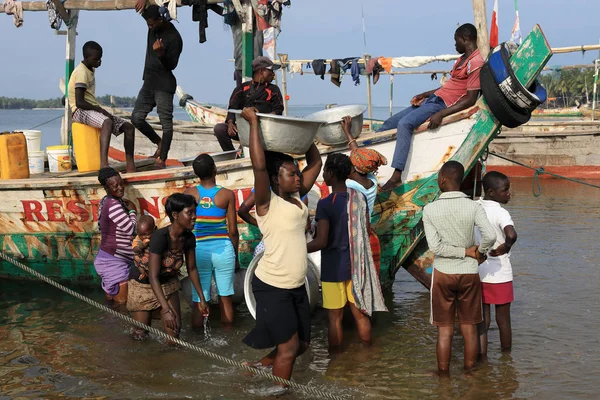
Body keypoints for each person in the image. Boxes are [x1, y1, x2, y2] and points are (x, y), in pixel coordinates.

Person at [240, 106, 322, 384]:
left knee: (302, 345)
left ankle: (260, 366)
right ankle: (281, 392)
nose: (297, 177)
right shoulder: (266, 203)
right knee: (288, 349)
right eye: (291, 174)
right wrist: (253, 123)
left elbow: (316, 165)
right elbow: (259, 165)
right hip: (273, 286)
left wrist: (304, 135)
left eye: (297, 174)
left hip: (297, 286)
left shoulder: (298, 198)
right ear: (276, 179)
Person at [377, 24, 484, 190]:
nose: (455, 45)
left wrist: (441, 114)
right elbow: (449, 86)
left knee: (405, 124)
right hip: (434, 99)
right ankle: (369, 162)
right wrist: (425, 94)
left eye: (456, 41)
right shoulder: (461, 60)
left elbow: (470, 100)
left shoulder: (475, 63)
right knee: (388, 124)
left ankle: (396, 176)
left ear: (465, 38)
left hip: (442, 105)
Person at [422, 160, 496, 373]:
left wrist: (463, 252)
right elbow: (490, 236)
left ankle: (443, 379)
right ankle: (470, 377)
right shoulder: (473, 206)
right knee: (469, 327)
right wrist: (477, 252)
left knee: (444, 331)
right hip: (469, 273)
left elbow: (435, 246)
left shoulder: (430, 210)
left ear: (443, 180)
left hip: (443, 273)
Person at [307, 153, 386, 349]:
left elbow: (322, 241)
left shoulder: (326, 204)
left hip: (333, 268)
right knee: (360, 314)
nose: (323, 173)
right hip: (356, 266)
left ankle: (336, 362)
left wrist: (297, 248)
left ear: (331, 174)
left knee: (334, 318)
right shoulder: (358, 197)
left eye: (324, 170)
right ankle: (368, 356)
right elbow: (365, 228)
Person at [184, 154, 239, 328]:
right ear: (215, 170)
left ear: (196, 173)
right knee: (226, 298)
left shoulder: (189, 193)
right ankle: (228, 342)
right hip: (223, 249)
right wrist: (236, 256)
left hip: (198, 250)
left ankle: (197, 340)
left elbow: (185, 228)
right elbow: (233, 231)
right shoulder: (227, 195)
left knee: (199, 298)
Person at [146, 193, 209, 338]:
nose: (194, 216)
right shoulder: (160, 237)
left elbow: (192, 269)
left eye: (195, 212)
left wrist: (201, 299)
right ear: (175, 215)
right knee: (140, 334)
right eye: (189, 213)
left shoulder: (189, 238)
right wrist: (166, 310)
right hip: (144, 284)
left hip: (168, 284)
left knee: (174, 336)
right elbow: (153, 276)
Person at [68, 41, 136, 173]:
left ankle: (130, 166)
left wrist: (100, 110)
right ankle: (104, 165)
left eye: (101, 58)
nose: (99, 61)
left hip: (90, 108)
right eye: (96, 59)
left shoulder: (90, 68)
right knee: (107, 121)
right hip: (79, 111)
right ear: (86, 58)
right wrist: (100, 110)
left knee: (128, 128)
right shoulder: (81, 72)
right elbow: (80, 102)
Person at [131, 5, 183, 169]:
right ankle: (159, 143)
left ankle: (163, 158)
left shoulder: (174, 38)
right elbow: (151, 5)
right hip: (149, 82)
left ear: (161, 19)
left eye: (152, 24)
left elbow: (172, 65)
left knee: (166, 124)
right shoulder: (152, 26)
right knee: (136, 118)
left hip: (164, 84)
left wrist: (161, 53)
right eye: (148, 25)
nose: (150, 28)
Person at [476, 172, 518, 356]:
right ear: (492, 192)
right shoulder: (501, 212)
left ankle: (481, 355)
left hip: (479, 271)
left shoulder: (475, 206)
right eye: (505, 190)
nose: (509, 193)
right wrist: (506, 247)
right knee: (503, 320)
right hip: (500, 274)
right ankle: (506, 358)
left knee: (483, 320)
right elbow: (512, 235)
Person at [341, 116, 388, 274]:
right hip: (369, 233)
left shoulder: (349, 186)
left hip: (354, 234)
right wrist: (348, 134)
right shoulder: (371, 180)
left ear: (353, 168)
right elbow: (358, 155)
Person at [214, 57, 284, 152]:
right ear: (261, 71)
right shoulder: (242, 88)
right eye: (271, 71)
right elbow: (232, 108)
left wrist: (265, 115)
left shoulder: (274, 90)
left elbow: (278, 109)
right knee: (219, 129)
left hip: (264, 130)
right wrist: (230, 123)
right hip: (244, 129)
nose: (273, 74)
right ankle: (231, 155)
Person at [94, 167, 136, 303]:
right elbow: (131, 230)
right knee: (123, 306)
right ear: (107, 188)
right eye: (115, 186)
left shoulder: (106, 201)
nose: (120, 188)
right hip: (114, 262)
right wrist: (133, 212)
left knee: (112, 304)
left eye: (121, 184)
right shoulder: (113, 205)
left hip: (109, 260)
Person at [238, 189, 309, 257]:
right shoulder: (297, 192)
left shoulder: (297, 191)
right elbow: (307, 225)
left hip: (272, 245)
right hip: (293, 245)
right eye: (292, 175)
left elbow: (307, 225)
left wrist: (264, 225)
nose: (296, 178)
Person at [126, 215, 164, 340]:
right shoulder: (138, 240)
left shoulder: (161, 237)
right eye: (143, 235)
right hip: (141, 278)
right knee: (140, 332)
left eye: (149, 234)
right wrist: (143, 244)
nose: (146, 237)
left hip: (161, 279)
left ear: (155, 229)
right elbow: (136, 251)